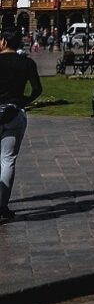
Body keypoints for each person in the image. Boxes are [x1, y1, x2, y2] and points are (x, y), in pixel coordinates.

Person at [0, 29, 42, 223]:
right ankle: (2, 205)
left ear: (3, 42)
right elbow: (37, 89)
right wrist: (23, 101)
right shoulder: (26, 63)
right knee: (8, 160)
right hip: (14, 113)